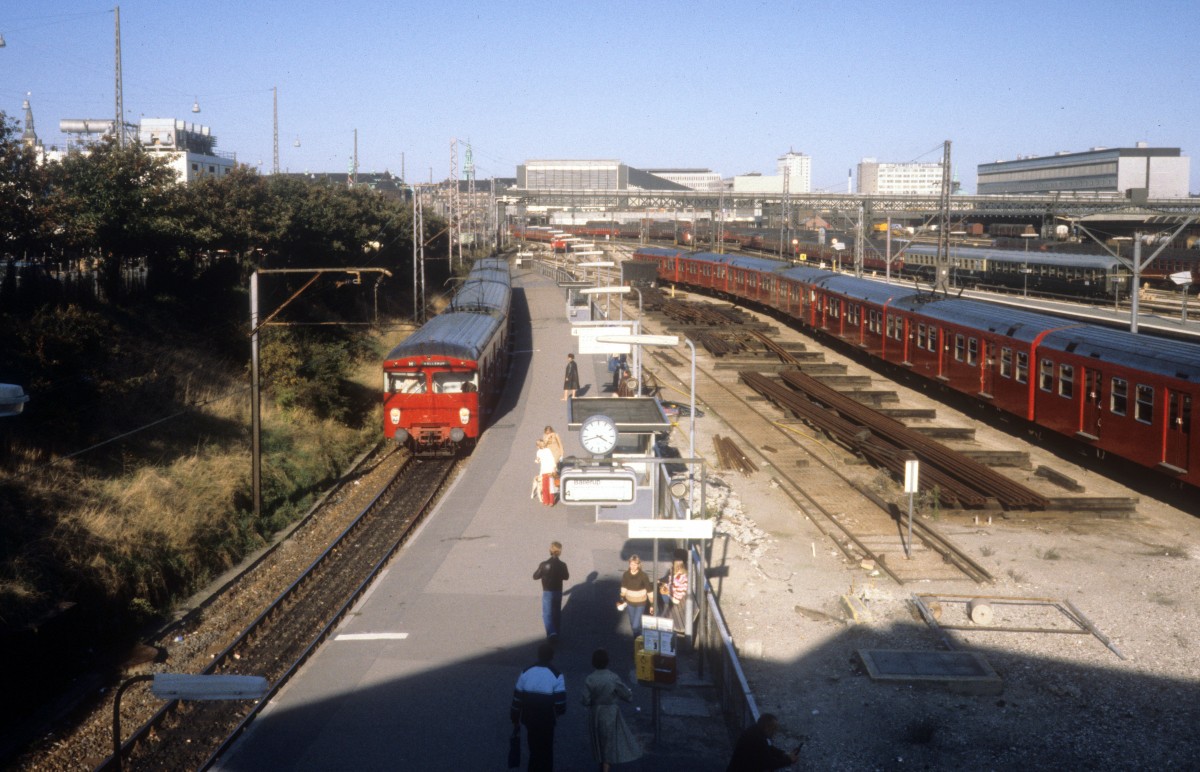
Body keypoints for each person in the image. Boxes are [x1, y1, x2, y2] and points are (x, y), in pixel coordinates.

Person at [581, 648, 641, 771]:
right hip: (610, 713)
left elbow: (585, 700)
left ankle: (602, 764)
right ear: (607, 662)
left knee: (599, 742)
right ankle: (606, 767)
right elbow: (626, 695)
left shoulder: (590, 679)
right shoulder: (613, 677)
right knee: (608, 743)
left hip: (596, 713)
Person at [511, 642, 567, 772]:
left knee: (534, 748)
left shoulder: (525, 672)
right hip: (547, 720)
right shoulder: (557, 675)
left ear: (538, 655)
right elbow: (560, 704)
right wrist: (558, 712)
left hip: (529, 719)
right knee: (546, 751)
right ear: (552, 656)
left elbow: (517, 698)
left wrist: (515, 718)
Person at [726, 713, 801, 772]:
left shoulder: (755, 731)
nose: (775, 732)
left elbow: (768, 748)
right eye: (774, 729)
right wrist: (789, 760)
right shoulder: (758, 739)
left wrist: (784, 753)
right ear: (767, 728)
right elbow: (770, 763)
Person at [533, 541, 570, 640]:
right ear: (560, 552)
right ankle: (556, 632)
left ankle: (551, 632)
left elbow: (535, 576)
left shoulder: (544, 564)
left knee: (547, 613)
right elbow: (566, 577)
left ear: (550, 550)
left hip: (548, 591)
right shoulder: (563, 565)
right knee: (557, 612)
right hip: (558, 591)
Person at [618, 555, 654, 638]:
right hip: (630, 602)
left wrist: (652, 604)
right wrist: (622, 599)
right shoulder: (626, 574)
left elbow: (649, 590)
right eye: (631, 564)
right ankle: (638, 641)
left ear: (638, 565)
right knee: (633, 623)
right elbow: (624, 587)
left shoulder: (643, 576)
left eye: (635, 565)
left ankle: (640, 638)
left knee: (635, 625)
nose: (633, 567)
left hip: (641, 603)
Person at [658, 557, 689, 635]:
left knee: (658, 595)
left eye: (673, 564)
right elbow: (671, 584)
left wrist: (665, 588)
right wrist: (664, 584)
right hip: (675, 595)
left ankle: (660, 614)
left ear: (677, 566)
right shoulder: (680, 574)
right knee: (659, 589)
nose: (672, 565)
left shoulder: (679, 577)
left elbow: (673, 589)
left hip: (675, 598)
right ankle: (660, 612)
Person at [535, 439, 558, 506]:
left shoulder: (547, 450)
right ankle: (547, 501)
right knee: (545, 486)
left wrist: (554, 468)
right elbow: (538, 460)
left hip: (549, 470)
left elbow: (552, 459)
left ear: (539, 445)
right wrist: (537, 460)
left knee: (549, 486)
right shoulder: (538, 452)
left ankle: (550, 501)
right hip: (544, 470)